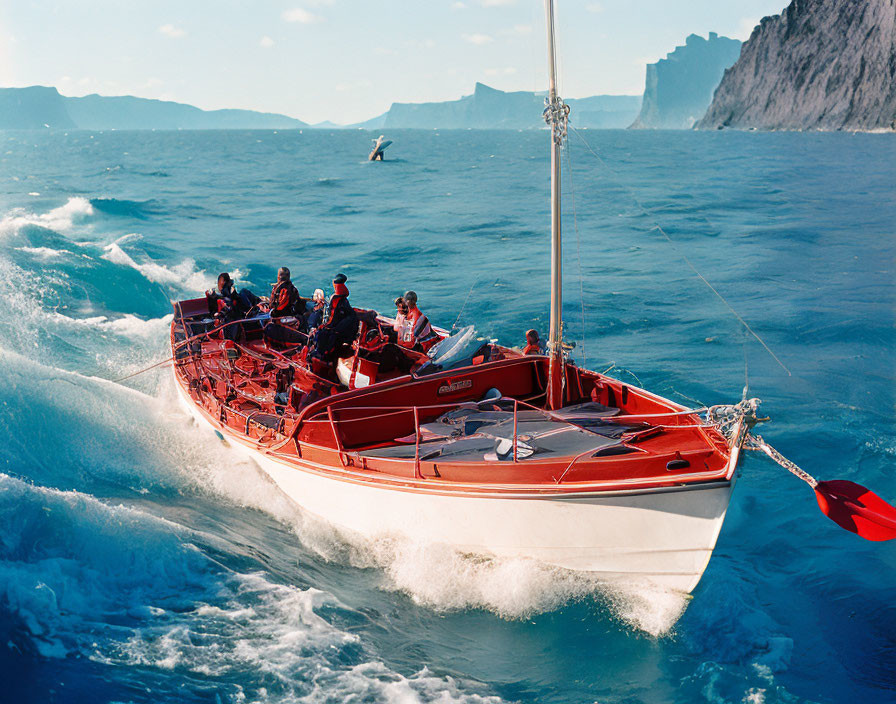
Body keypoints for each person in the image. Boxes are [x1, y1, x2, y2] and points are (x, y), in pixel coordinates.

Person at [311, 273, 359, 360]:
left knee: (320, 333)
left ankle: (320, 355)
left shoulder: (336, 301)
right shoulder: (342, 300)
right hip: (343, 329)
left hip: (336, 331)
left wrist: (321, 328)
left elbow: (330, 321)